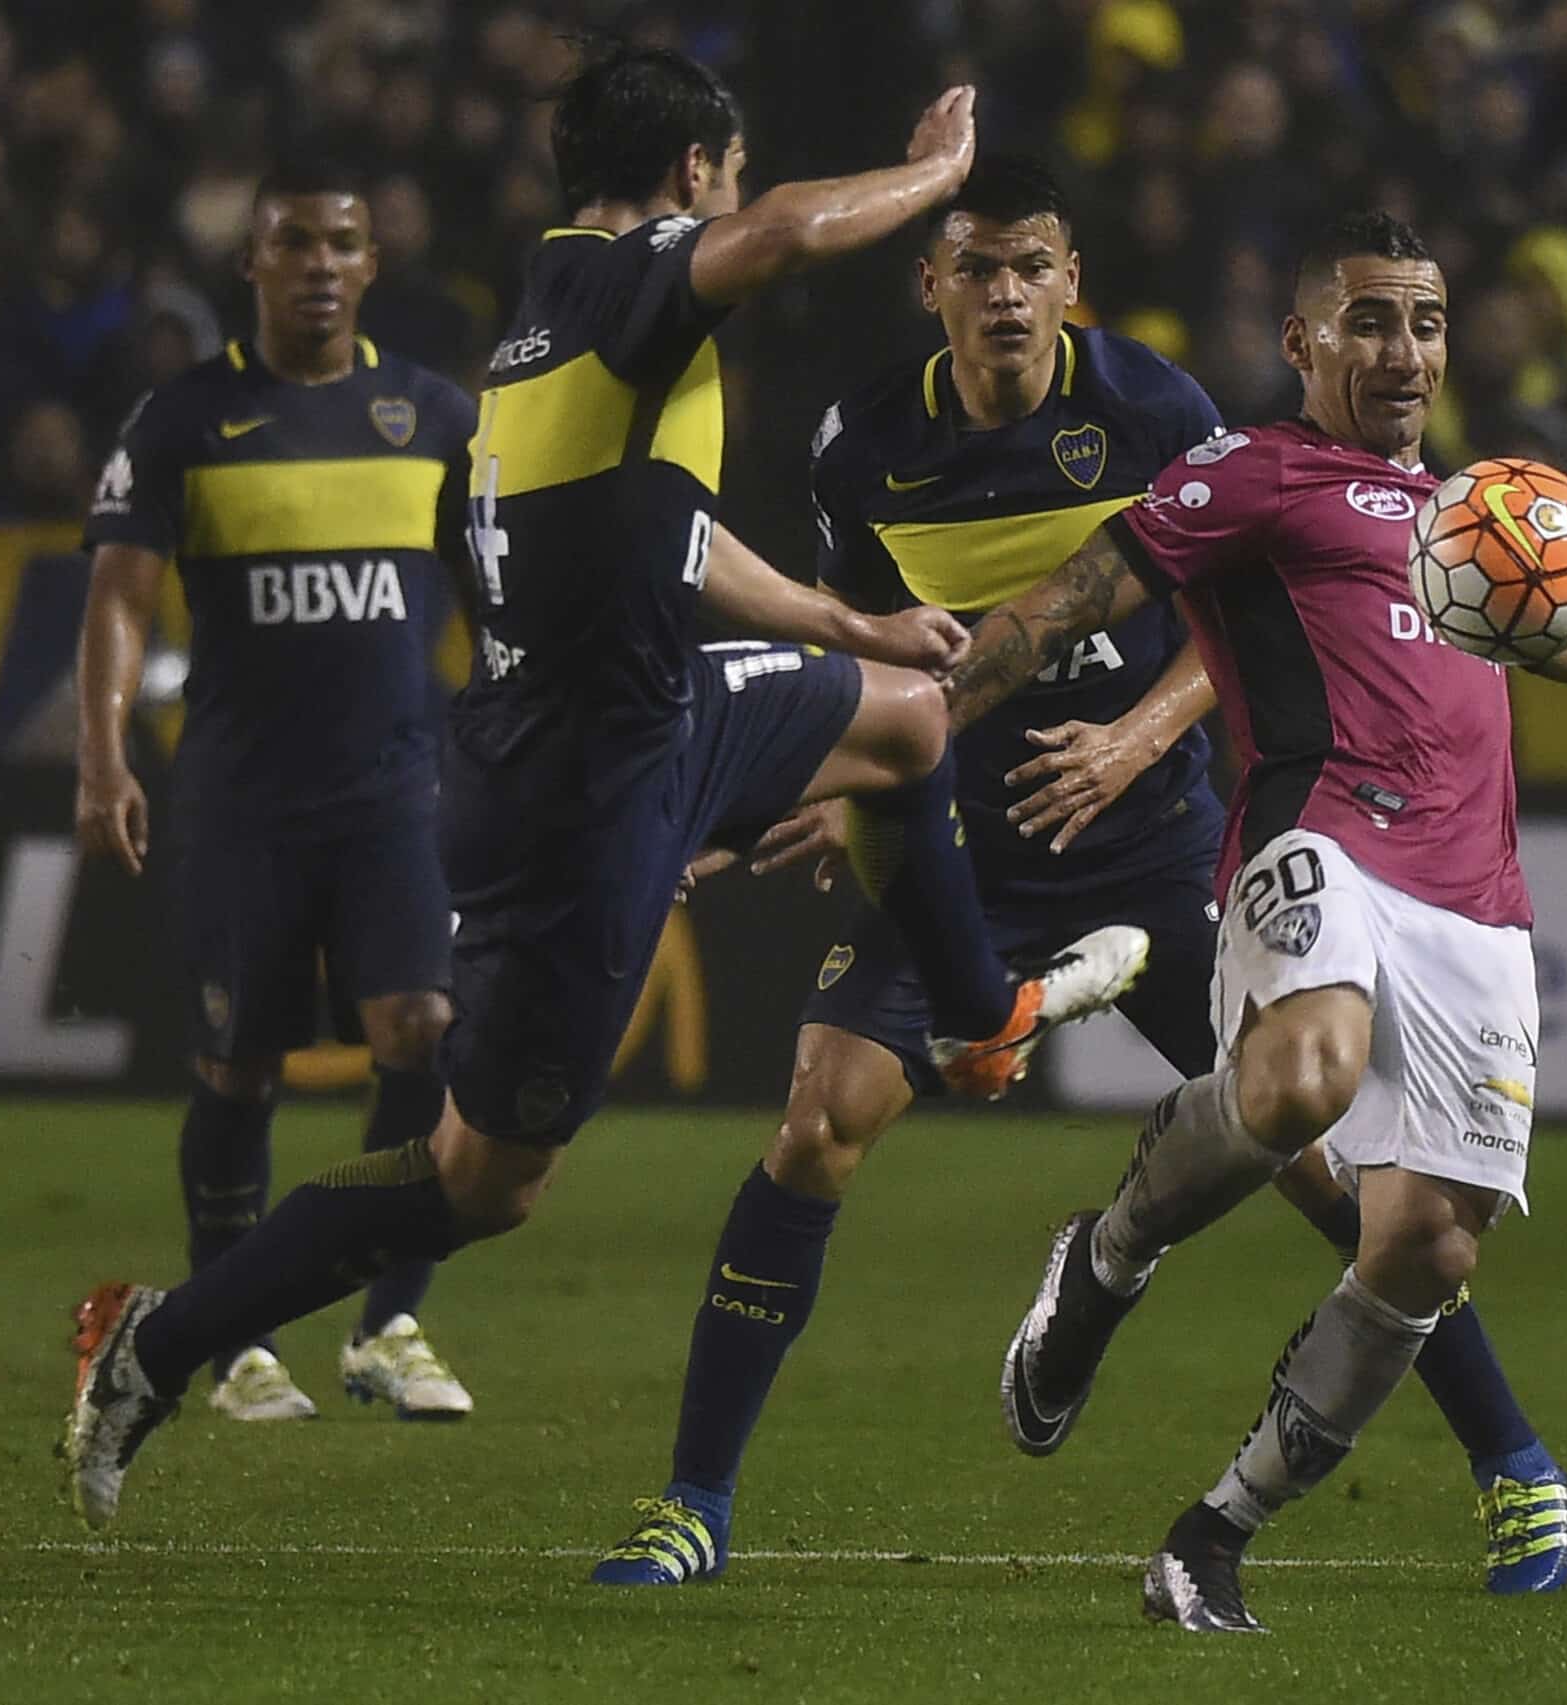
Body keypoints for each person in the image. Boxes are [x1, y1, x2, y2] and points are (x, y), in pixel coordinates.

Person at [61, 43, 1146, 1540]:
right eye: (729, 174)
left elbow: (667, 535)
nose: (738, 200)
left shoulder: (545, 322)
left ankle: (977, 1013)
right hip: (588, 780)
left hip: (648, 713)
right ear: (695, 172)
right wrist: (935, 174)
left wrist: (845, 622)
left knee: (906, 721)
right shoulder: (626, 278)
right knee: (482, 1181)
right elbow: (784, 234)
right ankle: (157, 1341)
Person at [942, 210, 1567, 1634]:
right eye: (1369, 321)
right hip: (1318, 837)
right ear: (1301, 342)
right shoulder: (1253, 476)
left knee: (1424, 1253)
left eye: (1425, 321)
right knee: (1301, 1081)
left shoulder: (1490, 526)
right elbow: (1052, 611)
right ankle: (1105, 1261)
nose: (1403, 350)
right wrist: (896, 733)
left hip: (1476, 906)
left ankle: (1212, 1536)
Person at [600, 158, 1567, 1594]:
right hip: (960, 854)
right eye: (977, 268)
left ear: (1071, 284)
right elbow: (867, 643)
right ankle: (691, 1504)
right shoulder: (860, 446)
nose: (1005, 294)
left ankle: (1510, 1460)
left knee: (1331, 1173)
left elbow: (1248, 609)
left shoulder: (1150, 408)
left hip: (1154, 852)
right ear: (930, 285)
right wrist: (829, 769)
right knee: (817, 1118)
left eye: (1031, 267)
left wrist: (1135, 734)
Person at [76, 160, 477, 1424]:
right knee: (239, 1063)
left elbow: (496, 601)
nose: (317, 264)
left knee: (420, 1028)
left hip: (394, 792)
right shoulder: (182, 418)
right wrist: (103, 755)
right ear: (250, 261)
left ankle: (388, 1321)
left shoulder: (434, 417)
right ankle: (236, 1338)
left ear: (371, 264)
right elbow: (120, 597)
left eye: (340, 242)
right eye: (293, 242)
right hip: (242, 801)